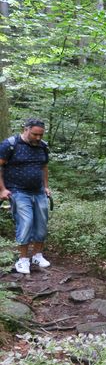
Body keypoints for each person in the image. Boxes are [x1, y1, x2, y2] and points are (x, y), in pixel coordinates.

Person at [0, 118, 51, 275]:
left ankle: (37, 255)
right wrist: (2, 189)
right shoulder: (10, 144)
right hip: (18, 191)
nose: (38, 138)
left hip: (39, 191)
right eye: (35, 134)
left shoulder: (42, 146)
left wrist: (46, 187)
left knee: (42, 223)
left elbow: (44, 167)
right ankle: (22, 260)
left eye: (40, 135)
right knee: (26, 222)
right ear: (26, 129)